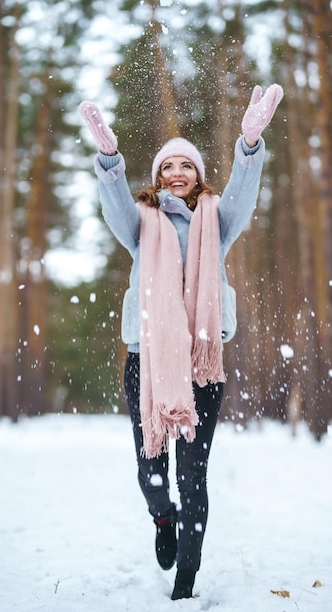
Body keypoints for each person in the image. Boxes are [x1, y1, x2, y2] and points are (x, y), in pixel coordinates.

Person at [79, 84, 283, 600]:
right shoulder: (139, 224)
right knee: (153, 472)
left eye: (185, 166)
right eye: (168, 167)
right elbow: (113, 202)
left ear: (197, 174)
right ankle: (162, 518)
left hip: (200, 363)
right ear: (158, 177)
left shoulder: (218, 221)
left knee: (194, 475)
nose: (176, 173)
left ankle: (187, 579)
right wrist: (109, 160)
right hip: (145, 361)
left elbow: (244, 191)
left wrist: (250, 145)